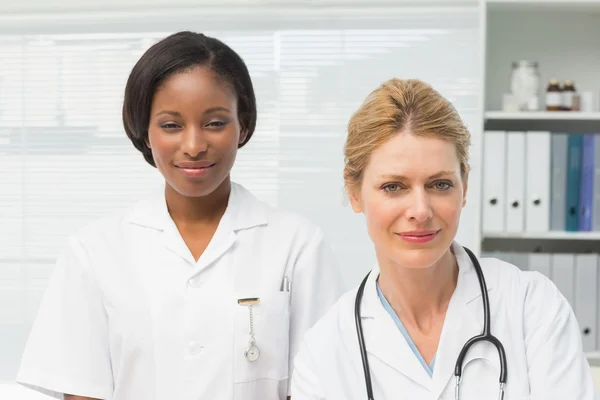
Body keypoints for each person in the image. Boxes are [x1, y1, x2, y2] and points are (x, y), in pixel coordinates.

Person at [16, 31, 344, 400]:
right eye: (171, 125)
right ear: (145, 132)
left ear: (244, 125)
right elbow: (81, 391)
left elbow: (321, 387)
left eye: (215, 123)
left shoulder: (297, 246)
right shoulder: (94, 251)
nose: (193, 146)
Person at [290, 78, 597, 399]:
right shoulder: (324, 352)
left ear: (464, 184)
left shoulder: (532, 308)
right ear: (354, 193)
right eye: (394, 186)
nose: (420, 211)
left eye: (439, 185)